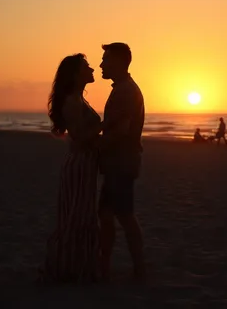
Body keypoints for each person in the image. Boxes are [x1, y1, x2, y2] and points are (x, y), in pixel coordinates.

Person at [39, 54, 102, 284]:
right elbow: (80, 136)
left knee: (80, 214)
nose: (92, 69)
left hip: (84, 163)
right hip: (80, 164)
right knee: (77, 215)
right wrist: (108, 125)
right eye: (87, 67)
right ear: (76, 74)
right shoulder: (72, 102)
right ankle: (71, 268)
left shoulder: (77, 99)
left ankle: (76, 266)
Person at [98, 42, 146, 282]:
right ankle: (105, 266)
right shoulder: (121, 89)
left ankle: (140, 269)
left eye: (105, 59)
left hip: (122, 162)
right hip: (116, 162)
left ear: (118, 61)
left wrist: (93, 145)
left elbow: (121, 130)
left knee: (125, 215)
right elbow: (112, 124)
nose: (101, 64)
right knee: (106, 214)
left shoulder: (127, 91)